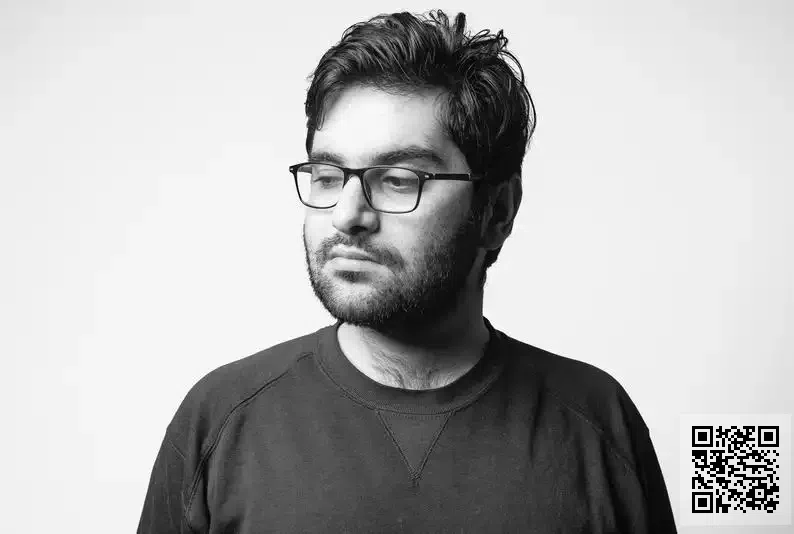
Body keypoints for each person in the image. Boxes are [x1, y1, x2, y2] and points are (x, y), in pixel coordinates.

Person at [138, 10, 676, 533]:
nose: (347, 215)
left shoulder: (599, 423)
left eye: (398, 179)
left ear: (497, 211)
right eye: (327, 176)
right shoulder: (219, 420)